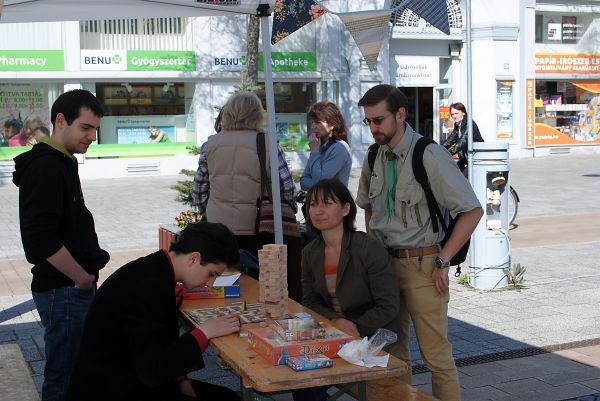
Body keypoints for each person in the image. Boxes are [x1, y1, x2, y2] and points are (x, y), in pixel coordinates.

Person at [356, 85, 483, 401]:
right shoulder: (373, 155)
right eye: (369, 121)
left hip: (424, 267)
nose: (374, 128)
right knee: (393, 357)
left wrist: (443, 259)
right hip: (383, 268)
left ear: (401, 114)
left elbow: (472, 210)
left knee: (436, 358)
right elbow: (369, 210)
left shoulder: (429, 153)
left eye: (379, 120)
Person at [66, 222, 242, 401]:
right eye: (212, 274)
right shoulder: (149, 287)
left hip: (128, 377)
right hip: (111, 389)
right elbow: (153, 373)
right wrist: (204, 332)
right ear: (193, 259)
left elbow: (156, 347)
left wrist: (181, 378)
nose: (210, 283)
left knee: (226, 397)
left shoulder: (155, 269)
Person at [12, 89, 110, 401]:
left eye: (95, 129)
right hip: (64, 289)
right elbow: (40, 237)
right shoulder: (47, 166)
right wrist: (80, 277)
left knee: (73, 370)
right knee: (65, 374)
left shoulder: (61, 162)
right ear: (60, 121)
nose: (92, 136)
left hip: (68, 288)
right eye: (85, 127)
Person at [292, 178, 401, 401]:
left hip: (370, 334)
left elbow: (389, 305)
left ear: (345, 208)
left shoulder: (368, 248)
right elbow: (310, 301)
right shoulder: (310, 252)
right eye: (312, 204)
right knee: (301, 375)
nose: (318, 211)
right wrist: (336, 321)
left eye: (327, 203)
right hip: (332, 332)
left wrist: (352, 327)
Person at [191, 92, 303, 301]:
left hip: (218, 230)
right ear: (256, 115)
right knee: (260, 285)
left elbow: (199, 189)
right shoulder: (267, 143)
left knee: (223, 286)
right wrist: (289, 212)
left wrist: (208, 212)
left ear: (229, 114)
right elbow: (286, 186)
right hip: (258, 229)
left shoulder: (211, 145)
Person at [299, 101, 352, 220]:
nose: (313, 126)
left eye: (317, 122)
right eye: (312, 122)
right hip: (317, 206)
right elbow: (303, 181)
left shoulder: (339, 148)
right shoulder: (320, 146)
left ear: (332, 124)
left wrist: (314, 152)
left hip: (333, 208)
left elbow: (320, 180)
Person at [442, 102, 484, 176]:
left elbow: (462, 141)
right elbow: (450, 140)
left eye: (456, 113)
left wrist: (447, 153)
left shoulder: (469, 124)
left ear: (463, 113)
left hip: (476, 157)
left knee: (462, 177)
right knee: (454, 173)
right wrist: (439, 149)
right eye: (452, 114)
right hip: (467, 157)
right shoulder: (458, 125)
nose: (454, 116)